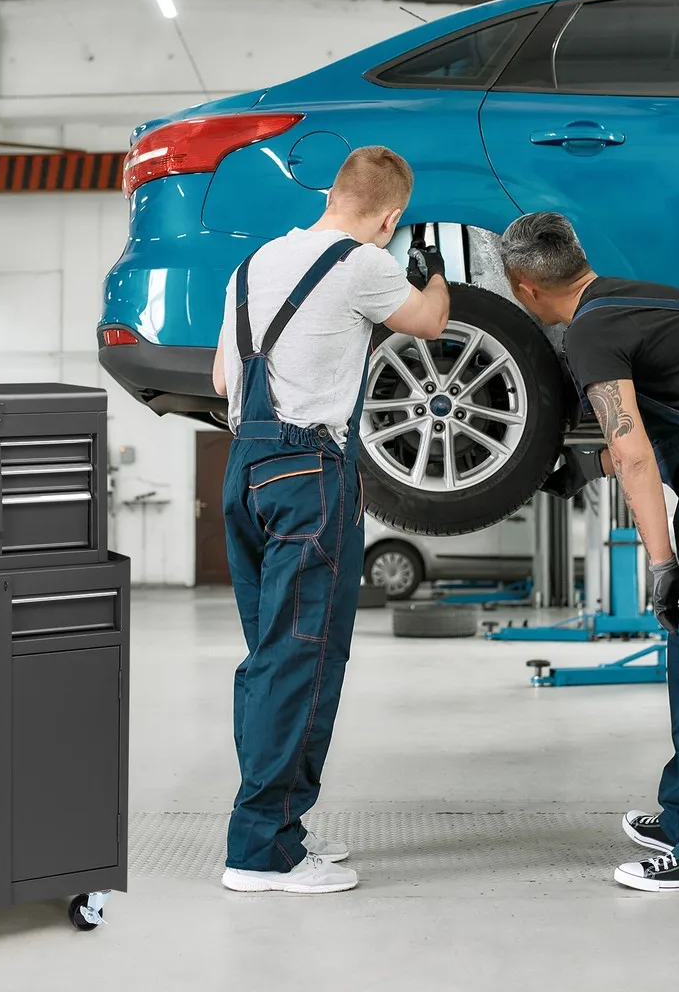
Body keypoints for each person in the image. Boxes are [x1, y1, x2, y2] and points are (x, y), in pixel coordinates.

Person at [212, 146, 450, 894]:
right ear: (390, 216)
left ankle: (277, 826)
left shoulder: (251, 266)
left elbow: (222, 378)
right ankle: (262, 851)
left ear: (332, 193)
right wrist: (433, 267)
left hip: (244, 470)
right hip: (308, 477)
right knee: (304, 658)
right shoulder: (363, 264)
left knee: (271, 658)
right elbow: (430, 321)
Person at [500, 211, 679, 893]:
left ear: (523, 289)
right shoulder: (651, 297)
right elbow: (659, 421)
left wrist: (662, 563)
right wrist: (581, 469)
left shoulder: (590, 330)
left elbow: (636, 454)